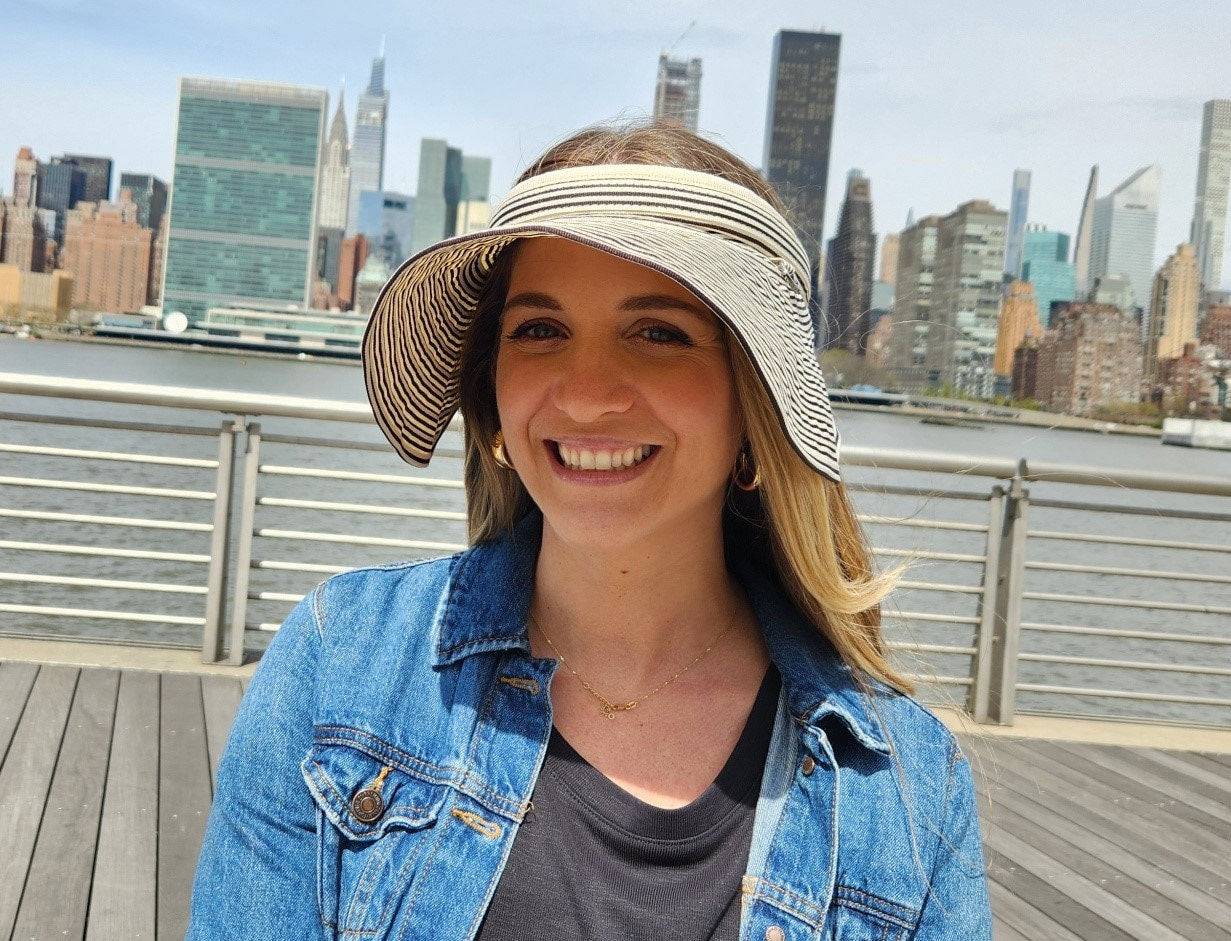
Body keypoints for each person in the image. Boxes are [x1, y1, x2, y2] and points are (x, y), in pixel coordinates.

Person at [187, 122, 991, 941]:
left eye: (658, 333)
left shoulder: (906, 788)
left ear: (756, 403)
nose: (587, 393)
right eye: (540, 329)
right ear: (492, 397)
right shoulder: (342, 660)